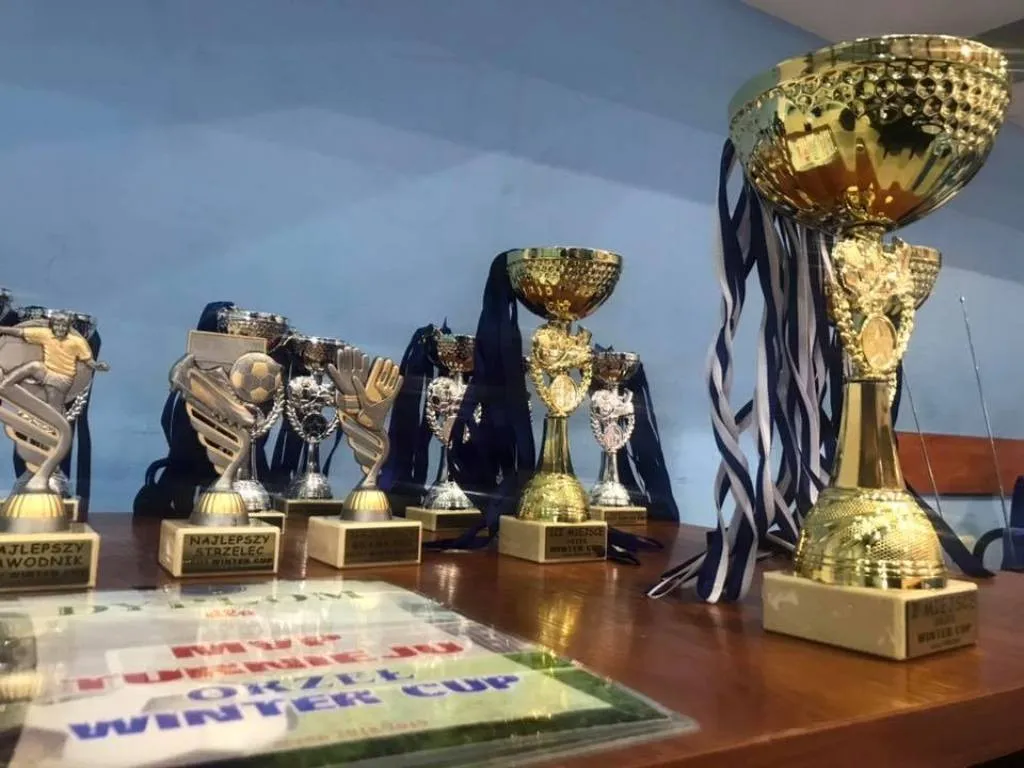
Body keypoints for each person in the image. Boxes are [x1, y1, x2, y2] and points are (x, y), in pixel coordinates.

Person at [0, 312, 109, 412]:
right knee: (34, 366)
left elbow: (88, 360)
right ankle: (5, 385)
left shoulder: (78, 342)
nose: (60, 329)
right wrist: (2, 329)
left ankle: (53, 420)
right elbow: (19, 332)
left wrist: (97, 366)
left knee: (54, 404)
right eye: (57, 325)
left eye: (63, 326)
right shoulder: (46, 334)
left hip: (62, 378)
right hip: (46, 372)